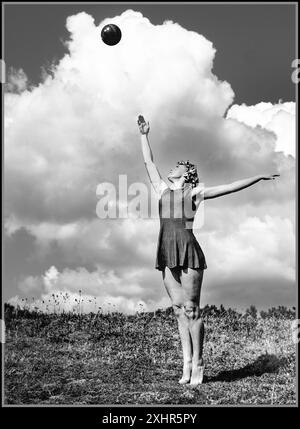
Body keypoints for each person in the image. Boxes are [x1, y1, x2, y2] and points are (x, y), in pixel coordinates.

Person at [137, 115, 280, 386]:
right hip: (167, 252)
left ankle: (199, 363)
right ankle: (187, 362)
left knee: (192, 310)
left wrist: (257, 177)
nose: (172, 167)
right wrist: (144, 135)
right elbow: (149, 163)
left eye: (177, 165)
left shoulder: (194, 193)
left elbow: (227, 188)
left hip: (188, 251)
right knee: (178, 310)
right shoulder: (161, 190)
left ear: (186, 173)